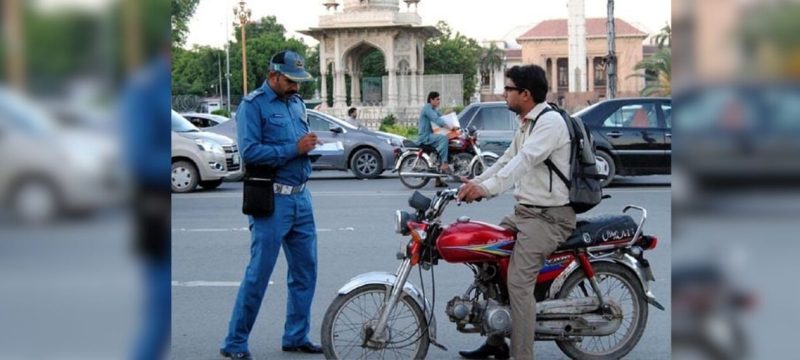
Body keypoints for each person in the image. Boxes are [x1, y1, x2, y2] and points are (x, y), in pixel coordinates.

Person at [457, 64, 577, 360]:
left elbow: (523, 162)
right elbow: (505, 160)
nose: (504, 93)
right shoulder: (527, 123)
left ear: (525, 94)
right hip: (525, 214)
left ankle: (522, 356)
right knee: (488, 263)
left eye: (509, 89)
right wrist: (476, 182)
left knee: (518, 283)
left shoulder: (549, 123)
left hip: (550, 218)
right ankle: (496, 342)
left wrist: (488, 190)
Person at [220, 50, 323, 360]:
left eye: (299, 82)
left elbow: (298, 143)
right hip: (272, 201)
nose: (296, 87)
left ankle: (295, 336)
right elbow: (250, 153)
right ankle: (235, 343)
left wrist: (307, 149)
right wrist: (294, 148)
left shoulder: (296, 103)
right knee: (259, 274)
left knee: (305, 272)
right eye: (291, 81)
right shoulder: (253, 106)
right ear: (274, 76)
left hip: (301, 198)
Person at [417, 91, 451, 187]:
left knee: (443, 147)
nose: (439, 101)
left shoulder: (433, 109)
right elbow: (436, 119)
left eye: (439, 99)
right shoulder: (427, 108)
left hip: (430, 135)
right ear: (431, 100)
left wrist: (450, 117)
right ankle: (444, 163)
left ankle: (438, 180)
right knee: (443, 138)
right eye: (437, 99)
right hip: (425, 136)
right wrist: (448, 126)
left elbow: (441, 117)